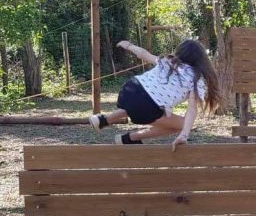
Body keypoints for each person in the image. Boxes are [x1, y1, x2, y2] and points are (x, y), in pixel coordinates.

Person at [88, 39, 220, 150]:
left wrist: (129, 46)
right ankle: (130, 138)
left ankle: (103, 120)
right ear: (202, 60)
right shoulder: (196, 79)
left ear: (179, 52)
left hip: (129, 89)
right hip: (146, 106)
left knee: (142, 102)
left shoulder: (167, 61)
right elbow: (192, 109)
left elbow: (144, 54)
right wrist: (184, 134)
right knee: (180, 124)